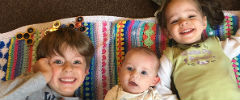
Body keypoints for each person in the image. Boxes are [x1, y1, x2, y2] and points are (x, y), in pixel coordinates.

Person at [154, 0, 240, 99]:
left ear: (204, 22)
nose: (183, 22)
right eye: (174, 21)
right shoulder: (171, 56)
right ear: (168, 32)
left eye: (191, 16)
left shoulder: (218, 46)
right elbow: (160, 86)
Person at [0, 27, 94, 100]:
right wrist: (42, 75)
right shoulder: (30, 86)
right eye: (58, 61)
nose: (68, 68)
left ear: (86, 70)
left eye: (76, 62)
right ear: (43, 64)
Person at [104, 47, 177, 100]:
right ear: (120, 71)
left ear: (154, 81)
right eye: (130, 68)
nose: (135, 75)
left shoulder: (154, 96)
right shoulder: (114, 93)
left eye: (143, 72)